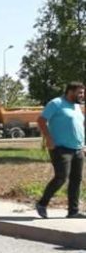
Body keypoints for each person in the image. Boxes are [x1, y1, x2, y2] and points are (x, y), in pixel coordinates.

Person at [35, 82, 86, 218]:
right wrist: (49, 139)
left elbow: (80, 126)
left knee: (76, 179)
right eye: (80, 93)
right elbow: (41, 120)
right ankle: (42, 204)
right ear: (70, 91)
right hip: (60, 148)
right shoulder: (56, 103)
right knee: (61, 177)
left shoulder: (77, 107)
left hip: (78, 149)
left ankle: (73, 211)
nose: (82, 95)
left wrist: (84, 145)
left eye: (83, 93)